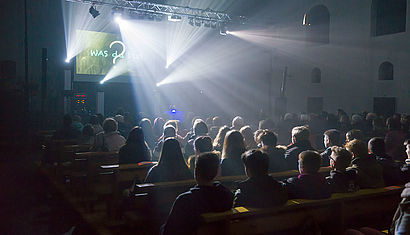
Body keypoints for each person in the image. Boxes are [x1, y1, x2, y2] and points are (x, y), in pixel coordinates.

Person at [161, 152, 233, 235]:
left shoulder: (184, 200)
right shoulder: (227, 196)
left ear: (195, 172)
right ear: (218, 172)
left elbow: (169, 231)